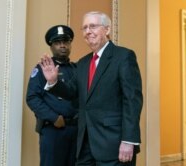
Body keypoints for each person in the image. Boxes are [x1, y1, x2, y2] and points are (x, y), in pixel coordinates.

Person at [40, 11, 143, 166]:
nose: (88, 31)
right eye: (85, 28)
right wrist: (54, 82)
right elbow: (72, 92)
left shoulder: (123, 56)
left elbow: (132, 101)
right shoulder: (83, 63)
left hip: (114, 144)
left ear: (107, 30)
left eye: (93, 26)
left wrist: (129, 140)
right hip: (85, 146)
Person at [26, 25, 78, 166]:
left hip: (76, 130)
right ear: (51, 46)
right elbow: (32, 98)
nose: (62, 46)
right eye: (57, 42)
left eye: (66, 42)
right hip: (53, 131)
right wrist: (53, 117)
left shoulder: (77, 69)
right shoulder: (42, 68)